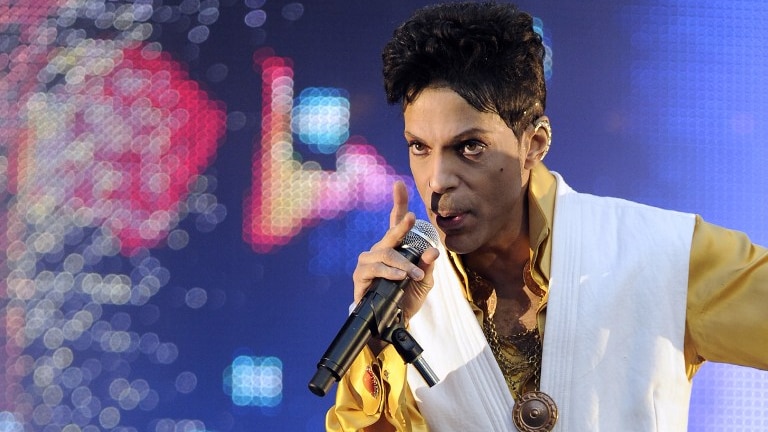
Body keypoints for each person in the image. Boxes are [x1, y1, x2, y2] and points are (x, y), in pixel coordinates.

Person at [325, 2, 768, 431]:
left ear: (534, 143)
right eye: (419, 147)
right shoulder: (395, 301)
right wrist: (377, 345)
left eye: (470, 147)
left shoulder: (663, 253)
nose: (437, 179)